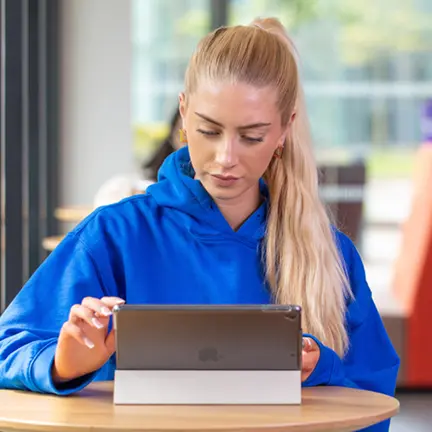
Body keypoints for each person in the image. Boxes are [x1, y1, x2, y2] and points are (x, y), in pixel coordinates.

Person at [0, 17, 398, 431]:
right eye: (209, 130)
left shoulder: (331, 256)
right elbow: (9, 347)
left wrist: (322, 368)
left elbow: (373, 398)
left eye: (252, 136)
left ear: (285, 130)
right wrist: (63, 364)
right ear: (184, 114)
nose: (226, 157)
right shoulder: (114, 235)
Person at [93, 107, 183, 207]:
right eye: (183, 133)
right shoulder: (126, 187)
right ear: (172, 136)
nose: (189, 143)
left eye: (203, 132)